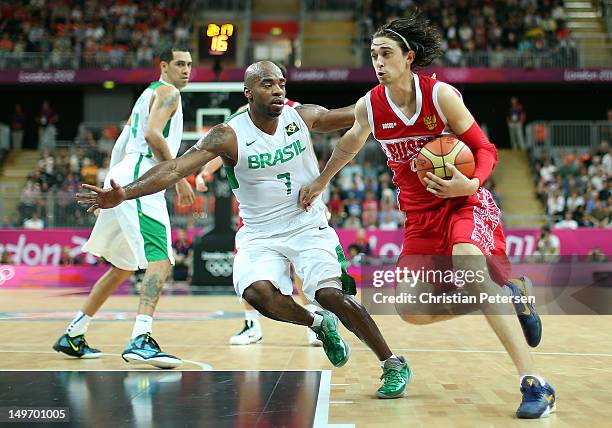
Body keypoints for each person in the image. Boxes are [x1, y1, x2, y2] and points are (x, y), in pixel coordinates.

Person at [77, 61, 410, 399]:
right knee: (256, 294)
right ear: (249, 92)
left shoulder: (301, 116)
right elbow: (175, 168)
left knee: (330, 295)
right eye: (268, 84)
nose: (278, 90)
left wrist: (397, 94)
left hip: (307, 223)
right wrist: (125, 192)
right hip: (260, 232)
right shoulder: (228, 135)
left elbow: (355, 113)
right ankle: (318, 324)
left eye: (281, 83)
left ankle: (392, 363)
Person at [299, 13, 555, 419]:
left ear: (409, 56)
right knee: (411, 309)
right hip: (418, 218)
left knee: (468, 266)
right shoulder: (371, 105)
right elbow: (348, 145)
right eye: (373, 56)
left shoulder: (441, 97)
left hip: (463, 204)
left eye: (385, 54)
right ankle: (510, 295)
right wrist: (320, 181)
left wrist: (470, 185)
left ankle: (534, 383)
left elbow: (485, 149)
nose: (378, 62)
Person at [53, 45, 195, 369]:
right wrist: (180, 177)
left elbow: (122, 142)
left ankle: (74, 334)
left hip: (121, 177)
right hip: (140, 177)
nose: (186, 69)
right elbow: (153, 135)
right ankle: (140, 339)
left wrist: (111, 184)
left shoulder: (147, 94)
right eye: (180, 63)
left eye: (189, 64)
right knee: (161, 259)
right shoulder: (170, 92)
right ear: (163, 66)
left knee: (124, 265)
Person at [194, 63, 322, 347]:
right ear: (250, 92)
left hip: (294, 203)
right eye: (264, 85)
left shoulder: (291, 111)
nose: (272, 90)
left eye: (274, 84)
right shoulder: (240, 121)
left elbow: (306, 145)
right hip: (259, 210)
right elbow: (225, 150)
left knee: (300, 265)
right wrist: (206, 171)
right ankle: (252, 326)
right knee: (249, 271)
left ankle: (314, 322)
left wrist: (318, 182)